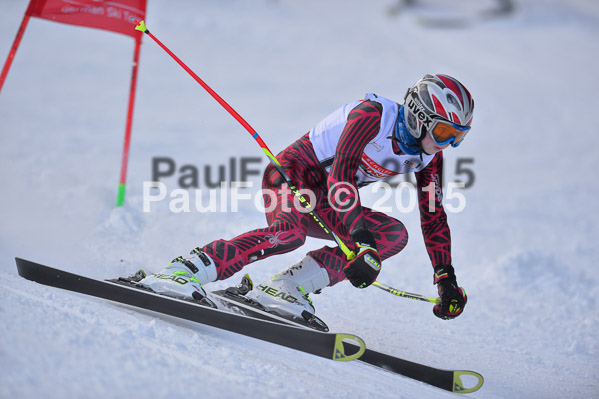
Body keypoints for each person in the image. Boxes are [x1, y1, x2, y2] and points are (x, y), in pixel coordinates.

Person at [140, 73, 474, 321]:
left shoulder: (429, 157)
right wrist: (360, 239)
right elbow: (341, 176)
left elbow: (433, 216)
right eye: (444, 132)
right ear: (419, 116)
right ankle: (186, 270)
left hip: (328, 200)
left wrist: (446, 277)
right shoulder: (373, 115)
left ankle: (286, 287)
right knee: (289, 234)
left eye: (457, 137)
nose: (447, 144)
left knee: (392, 235)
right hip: (289, 175)